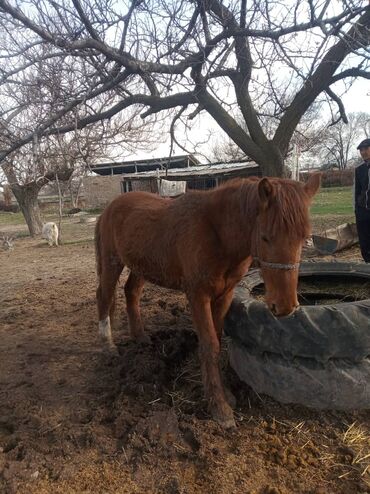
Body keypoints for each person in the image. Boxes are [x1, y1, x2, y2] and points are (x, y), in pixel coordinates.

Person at [354, 138, 370, 262]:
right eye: (361, 150)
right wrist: (357, 210)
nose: (363, 152)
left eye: (366, 149)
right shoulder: (359, 170)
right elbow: (357, 192)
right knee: (364, 241)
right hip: (363, 210)